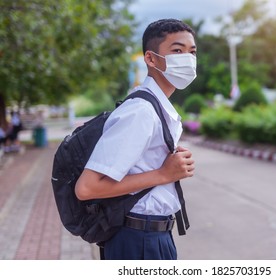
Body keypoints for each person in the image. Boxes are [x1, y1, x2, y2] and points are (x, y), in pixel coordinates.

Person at [75, 18, 197, 260]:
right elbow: (86, 188)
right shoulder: (140, 111)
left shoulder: (154, 107)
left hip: (150, 236)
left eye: (192, 52)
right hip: (138, 241)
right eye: (177, 51)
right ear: (151, 59)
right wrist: (164, 174)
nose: (188, 59)